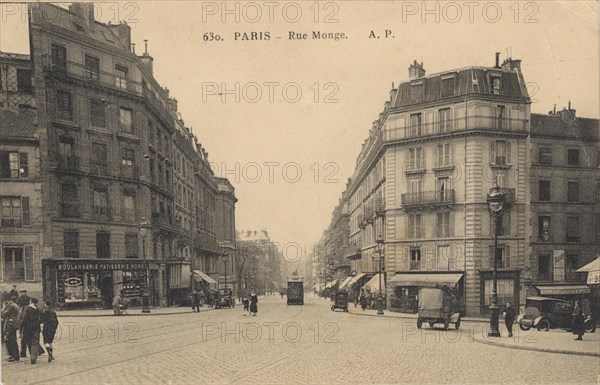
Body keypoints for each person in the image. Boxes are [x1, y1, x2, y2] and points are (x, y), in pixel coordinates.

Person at [21, 297, 42, 364]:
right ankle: (34, 358)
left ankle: (32, 356)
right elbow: (42, 318)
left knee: (29, 343)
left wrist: (21, 328)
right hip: (36, 328)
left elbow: (24, 319)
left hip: (28, 329)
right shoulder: (38, 309)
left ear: (30, 301)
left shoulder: (27, 309)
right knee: (35, 343)